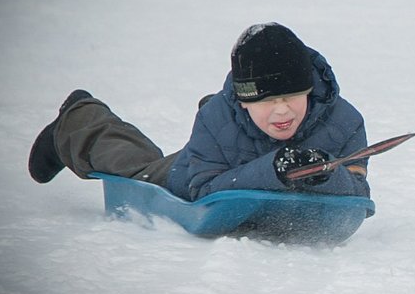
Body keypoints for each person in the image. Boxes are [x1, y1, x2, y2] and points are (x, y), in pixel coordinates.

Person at [28, 22, 370, 201]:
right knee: (138, 171)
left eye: (292, 96)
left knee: (225, 128)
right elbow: (201, 191)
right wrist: (273, 169)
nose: (282, 111)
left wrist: (326, 172)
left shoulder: (345, 123)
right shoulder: (216, 123)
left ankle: (233, 129)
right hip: (198, 170)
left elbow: (358, 194)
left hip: (235, 148)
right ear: (243, 101)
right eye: (266, 101)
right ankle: (80, 119)